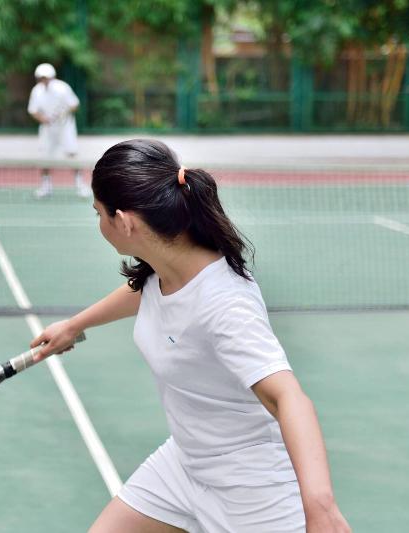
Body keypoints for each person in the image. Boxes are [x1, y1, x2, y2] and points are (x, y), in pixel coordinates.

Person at [30, 139, 351, 532]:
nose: (97, 223)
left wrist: (320, 507)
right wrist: (75, 325)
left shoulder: (225, 304)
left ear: (125, 222)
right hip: (185, 462)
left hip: (251, 488)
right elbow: (146, 292)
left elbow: (289, 398)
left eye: (98, 213)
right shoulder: (171, 264)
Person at [27, 62, 91, 198]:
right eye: (41, 77)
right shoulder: (36, 91)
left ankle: (81, 186)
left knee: (72, 155)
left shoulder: (62, 88)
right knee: (44, 158)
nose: (44, 80)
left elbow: (75, 104)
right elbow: (33, 111)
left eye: (46, 77)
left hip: (65, 128)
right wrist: (43, 119)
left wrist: (64, 113)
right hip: (47, 129)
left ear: (52, 77)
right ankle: (46, 187)